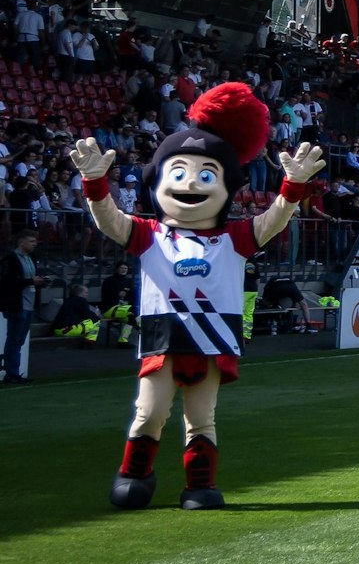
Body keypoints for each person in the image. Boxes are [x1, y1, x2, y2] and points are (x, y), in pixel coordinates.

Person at [73, 83, 325, 509]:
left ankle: (199, 486)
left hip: (210, 343)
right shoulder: (150, 234)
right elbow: (109, 221)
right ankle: (135, 474)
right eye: (179, 172)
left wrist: (292, 188)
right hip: (161, 341)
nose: (191, 183)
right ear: (157, 181)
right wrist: (95, 183)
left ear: (227, 185)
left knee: (201, 418)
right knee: (149, 413)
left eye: (206, 174)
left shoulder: (234, 237)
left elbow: (274, 220)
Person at [1, 231, 49, 383]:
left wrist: (39, 282)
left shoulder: (31, 258)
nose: (34, 244)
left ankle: (13, 371)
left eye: (35, 241)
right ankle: (11, 372)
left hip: (28, 304)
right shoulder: (11, 259)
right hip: (17, 304)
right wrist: (30, 282)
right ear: (21, 242)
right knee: (14, 339)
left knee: (19, 340)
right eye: (31, 241)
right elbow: (7, 282)